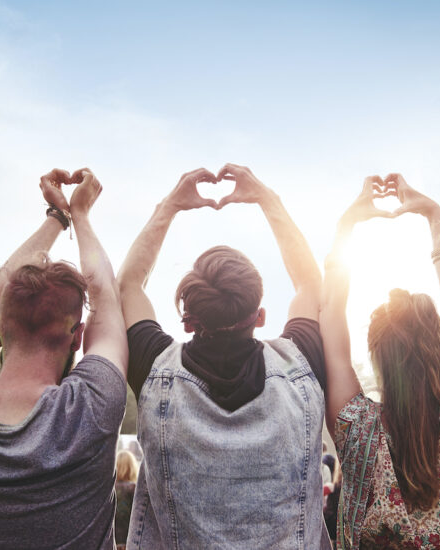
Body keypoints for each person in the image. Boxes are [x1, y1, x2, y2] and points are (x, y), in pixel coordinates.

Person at [117, 165, 330, 549]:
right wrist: (268, 199)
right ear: (260, 317)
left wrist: (169, 206)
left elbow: (129, 284)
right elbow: (311, 284)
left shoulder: (156, 370)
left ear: (189, 322)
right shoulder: (301, 367)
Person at [0, 169, 128, 549]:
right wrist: (81, 215)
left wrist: (57, 219)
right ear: (78, 338)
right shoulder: (93, 407)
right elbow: (106, 296)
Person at [320, 175, 440, 549]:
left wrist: (346, 227)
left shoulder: (356, 428)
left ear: (376, 356)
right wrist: (434, 215)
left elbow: (330, 312)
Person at [115, 450, 139, 550]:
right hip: (131, 541)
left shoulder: (109, 490)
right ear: (132, 467)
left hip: (111, 541)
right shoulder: (135, 489)